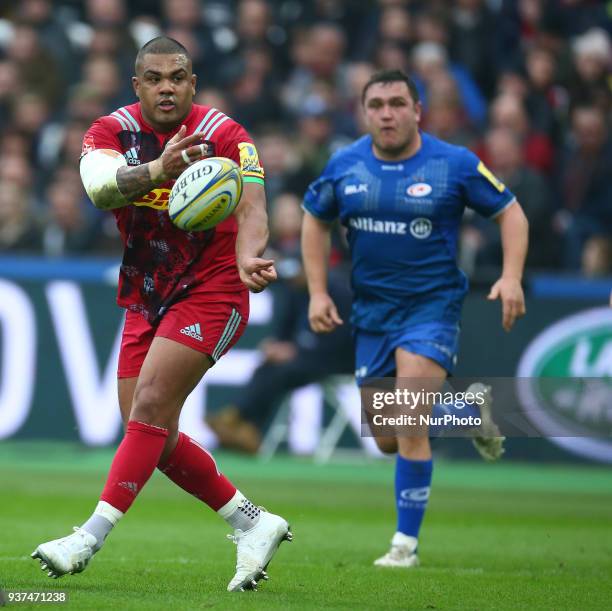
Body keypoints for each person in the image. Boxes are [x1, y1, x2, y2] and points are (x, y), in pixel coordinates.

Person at [31, 36, 291, 593]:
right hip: (147, 292)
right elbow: (100, 190)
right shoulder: (109, 132)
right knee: (149, 430)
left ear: (193, 84)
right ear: (137, 85)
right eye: (154, 77)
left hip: (214, 287)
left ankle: (89, 537)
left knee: (150, 404)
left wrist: (248, 255)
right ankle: (252, 522)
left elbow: (252, 204)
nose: (166, 86)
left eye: (177, 76)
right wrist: (157, 169)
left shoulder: (224, 134)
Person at [301, 69, 528, 568]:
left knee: (408, 421)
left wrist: (511, 277)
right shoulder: (345, 165)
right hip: (372, 314)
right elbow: (314, 218)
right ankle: (467, 413)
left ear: (417, 109)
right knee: (387, 436)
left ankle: (404, 545)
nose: (387, 113)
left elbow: (511, 212)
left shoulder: (455, 163)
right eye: (377, 104)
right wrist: (317, 292)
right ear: (365, 112)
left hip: (432, 309)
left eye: (398, 103)